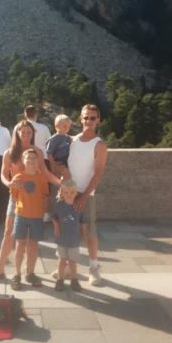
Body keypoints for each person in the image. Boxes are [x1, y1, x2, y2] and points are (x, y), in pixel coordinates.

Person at [0, 120, 58, 284]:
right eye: (22, 132)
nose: (25, 135)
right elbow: (3, 174)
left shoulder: (37, 152)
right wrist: (9, 183)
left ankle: (28, 272)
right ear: (16, 133)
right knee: (8, 233)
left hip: (34, 201)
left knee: (31, 239)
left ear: (33, 134)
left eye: (29, 132)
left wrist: (61, 183)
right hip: (16, 198)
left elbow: (45, 173)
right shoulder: (9, 152)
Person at [68, 103, 108, 286]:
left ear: (98, 120)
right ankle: (69, 266)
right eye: (85, 117)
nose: (88, 121)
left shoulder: (99, 145)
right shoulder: (72, 141)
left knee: (89, 233)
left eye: (92, 118)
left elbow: (98, 173)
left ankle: (94, 268)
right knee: (69, 231)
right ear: (80, 119)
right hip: (68, 193)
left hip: (87, 195)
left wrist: (84, 196)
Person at [9, 148, 61, 290]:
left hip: (37, 217)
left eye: (34, 158)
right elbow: (14, 196)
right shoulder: (18, 177)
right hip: (21, 215)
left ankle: (30, 273)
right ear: (23, 161)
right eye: (28, 158)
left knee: (33, 246)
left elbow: (45, 196)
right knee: (20, 245)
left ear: (38, 161)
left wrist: (44, 213)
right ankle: (17, 274)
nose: (31, 160)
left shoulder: (42, 178)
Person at [52, 178, 86, 292]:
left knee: (73, 261)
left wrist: (84, 235)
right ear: (62, 192)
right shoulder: (59, 206)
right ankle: (60, 280)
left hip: (74, 240)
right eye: (66, 192)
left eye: (72, 192)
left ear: (76, 193)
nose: (69, 194)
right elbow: (54, 218)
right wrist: (56, 227)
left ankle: (74, 280)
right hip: (62, 239)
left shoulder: (78, 206)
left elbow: (83, 222)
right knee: (61, 260)